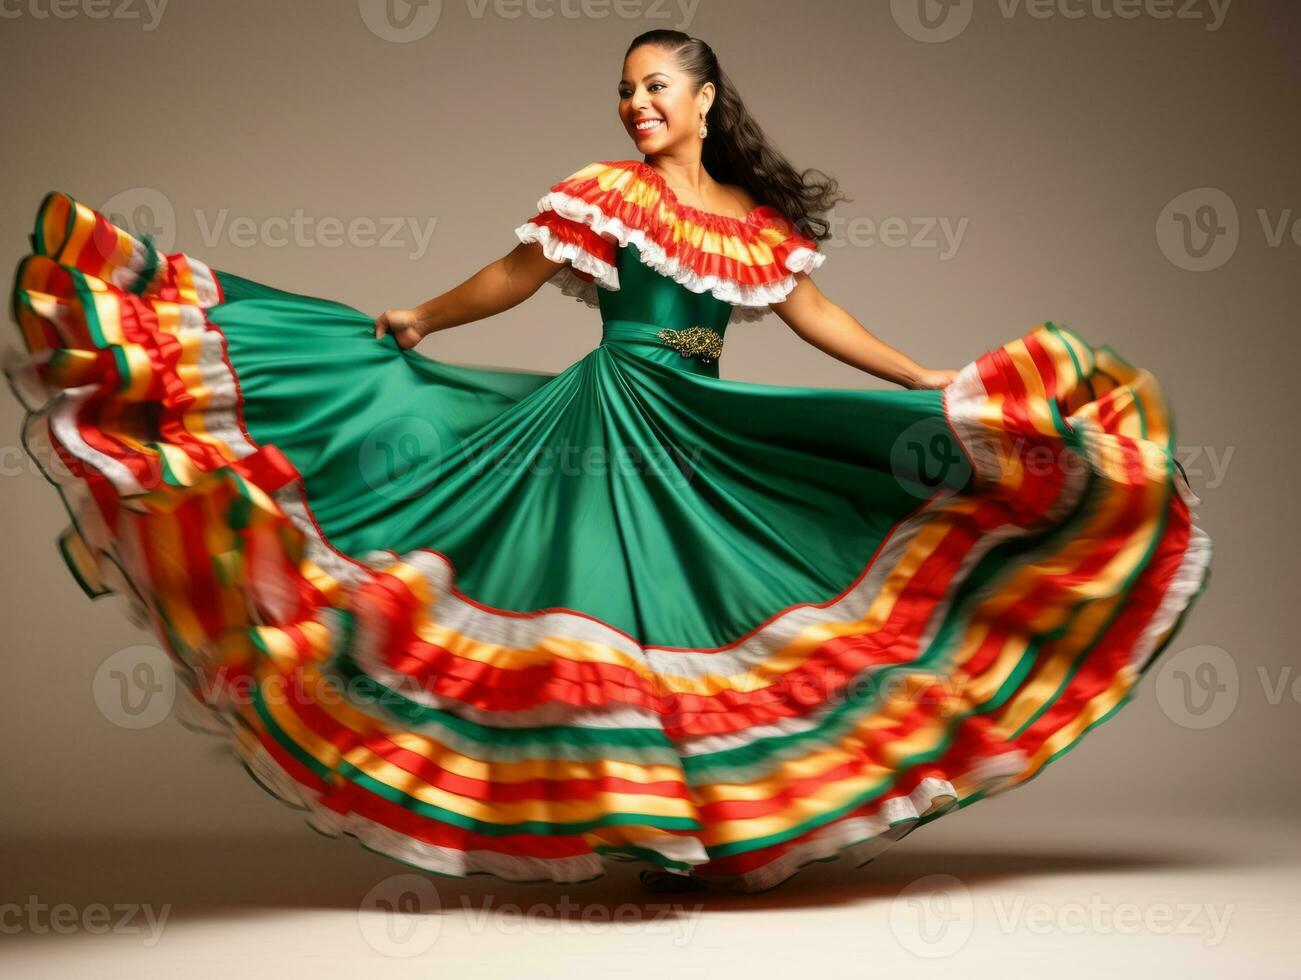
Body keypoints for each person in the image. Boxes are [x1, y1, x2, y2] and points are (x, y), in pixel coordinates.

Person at [5, 30, 1212, 896]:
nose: (632, 106)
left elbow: (813, 320)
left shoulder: (752, 222)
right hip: (608, 415)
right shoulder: (601, 194)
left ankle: (703, 832)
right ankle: (641, 828)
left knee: (708, 613)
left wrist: (913, 381)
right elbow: (514, 274)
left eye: (651, 88)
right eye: (622, 91)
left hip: (702, 428)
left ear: (701, 100)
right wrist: (422, 316)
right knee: (599, 616)